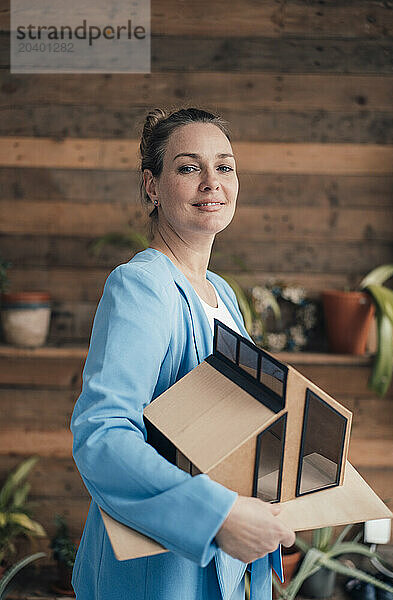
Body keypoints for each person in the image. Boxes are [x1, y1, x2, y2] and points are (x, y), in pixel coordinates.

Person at [70, 107, 295, 600]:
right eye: (189, 167)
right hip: (159, 574)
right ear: (152, 186)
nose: (212, 183)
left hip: (228, 564)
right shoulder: (142, 286)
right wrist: (219, 515)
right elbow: (101, 437)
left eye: (225, 166)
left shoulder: (221, 293)